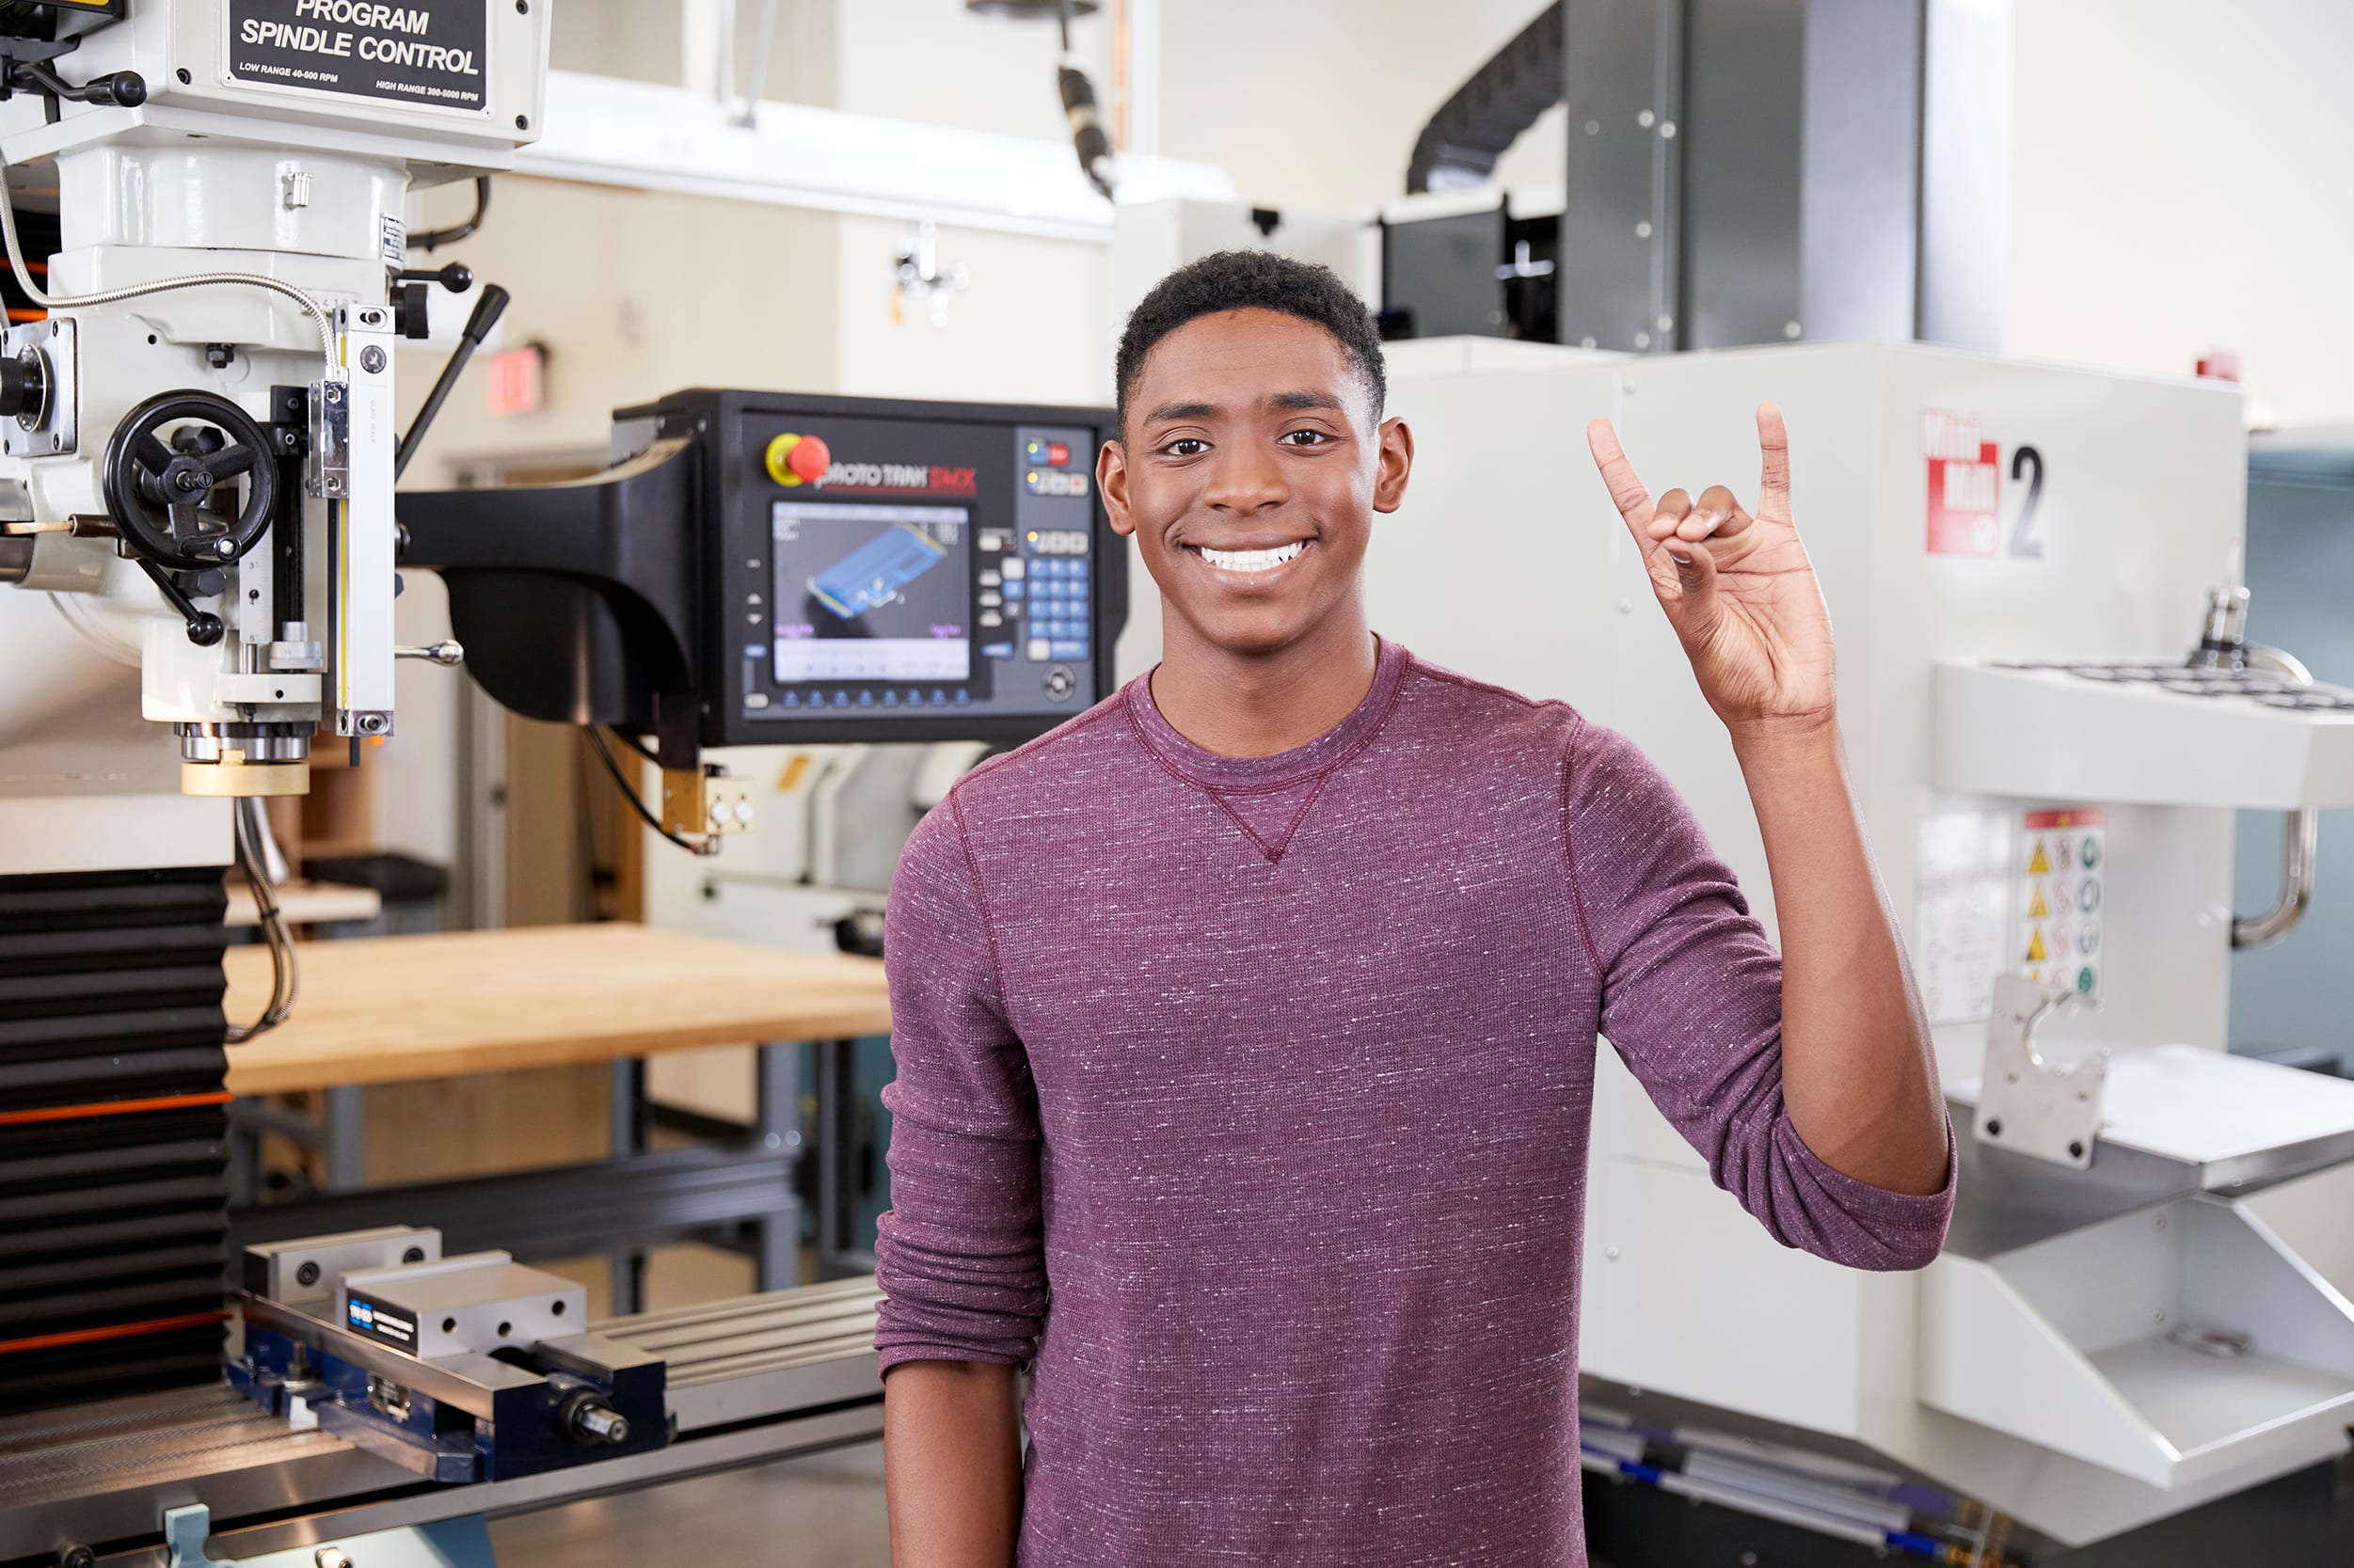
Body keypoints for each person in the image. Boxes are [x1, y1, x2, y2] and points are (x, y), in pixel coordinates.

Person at [874, 250, 1952, 1568]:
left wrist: (1789, 733)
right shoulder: (984, 853)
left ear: (1384, 465)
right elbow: (950, 1325)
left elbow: (1864, 1197)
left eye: (1304, 432)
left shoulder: (1563, 798)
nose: (1247, 482)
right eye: (1184, 440)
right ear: (1119, 487)